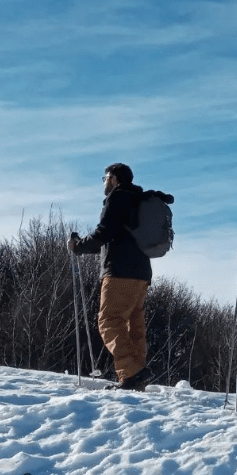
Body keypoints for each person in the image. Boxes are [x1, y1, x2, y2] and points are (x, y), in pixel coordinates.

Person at [68, 163, 153, 391]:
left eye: (105, 178)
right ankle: (133, 379)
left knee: (109, 322)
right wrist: (85, 247)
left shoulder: (117, 198)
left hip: (119, 271)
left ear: (113, 179)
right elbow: (115, 237)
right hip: (142, 273)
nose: (104, 182)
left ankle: (132, 371)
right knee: (135, 325)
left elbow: (104, 233)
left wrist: (78, 246)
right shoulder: (140, 199)